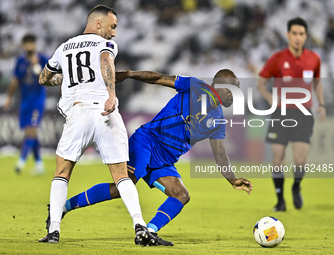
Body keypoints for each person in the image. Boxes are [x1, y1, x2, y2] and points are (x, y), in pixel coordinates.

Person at [43, 69, 253, 246]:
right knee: (122, 187)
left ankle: (148, 232)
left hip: (164, 159)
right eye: (235, 89)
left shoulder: (218, 120)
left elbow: (220, 153)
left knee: (181, 194)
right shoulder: (195, 86)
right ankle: (62, 208)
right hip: (147, 141)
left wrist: (232, 179)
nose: (236, 94)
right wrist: (130, 74)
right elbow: (159, 78)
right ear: (222, 86)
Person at [37, 5, 155, 245]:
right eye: (112, 27)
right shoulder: (106, 45)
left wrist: (65, 78)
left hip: (78, 114)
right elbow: (105, 62)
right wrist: (111, 94)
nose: (113, 33)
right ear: (98, 24)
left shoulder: (63, 47)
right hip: (105, 112)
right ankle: (140, 226)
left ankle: (54, 231)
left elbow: (44, 78)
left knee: (62, 173)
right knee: (122, 176)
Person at [257, 17, 326, 211]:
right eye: (294, 33)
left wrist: (321, 103)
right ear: (288, 35)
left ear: (306, 36)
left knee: (300, 159)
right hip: (281, 114)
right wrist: (271, 99)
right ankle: (280, 200)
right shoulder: (277, 58)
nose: (298, 37)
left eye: (301, 34)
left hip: (304, 114)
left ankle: (296, 187)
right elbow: (260, 83)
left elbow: (318, 82)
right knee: (278, 159)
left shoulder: (314, 59)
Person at [3, 34, 49, 175]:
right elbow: (14, 80)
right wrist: (9, 97)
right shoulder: (20, 62)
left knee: (32, 129)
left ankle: (21, 161)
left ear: (35, 44)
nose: (29, 46)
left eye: (31, 43)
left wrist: (36, 65)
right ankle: (39, 164)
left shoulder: (42, 59)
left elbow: (47, 78)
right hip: (24, 102)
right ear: (23, 45)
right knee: (30, 132)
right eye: (27, 43)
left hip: (37, 100)